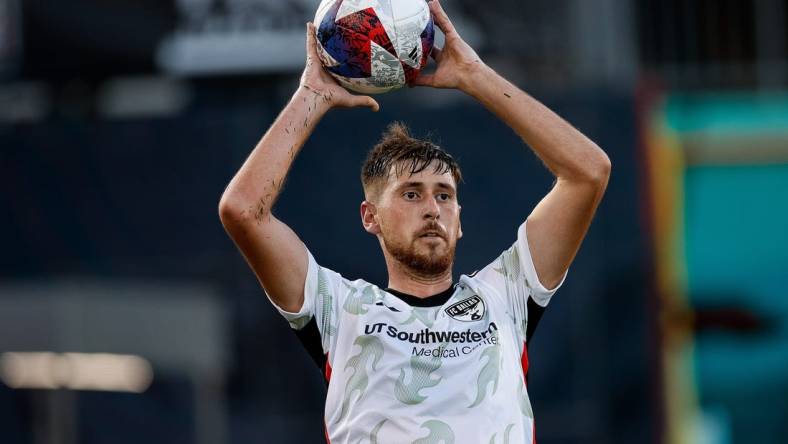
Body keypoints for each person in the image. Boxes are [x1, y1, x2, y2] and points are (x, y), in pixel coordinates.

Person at [218, 1, 610, 442]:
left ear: (460, 220)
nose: (432, 208)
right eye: (411, 194)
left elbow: (587, 172)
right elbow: (243, 211)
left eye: (445, 196)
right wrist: (311, 97)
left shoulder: (506, 295)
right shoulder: (339, 309)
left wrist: (475, 77)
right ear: (371, 217)